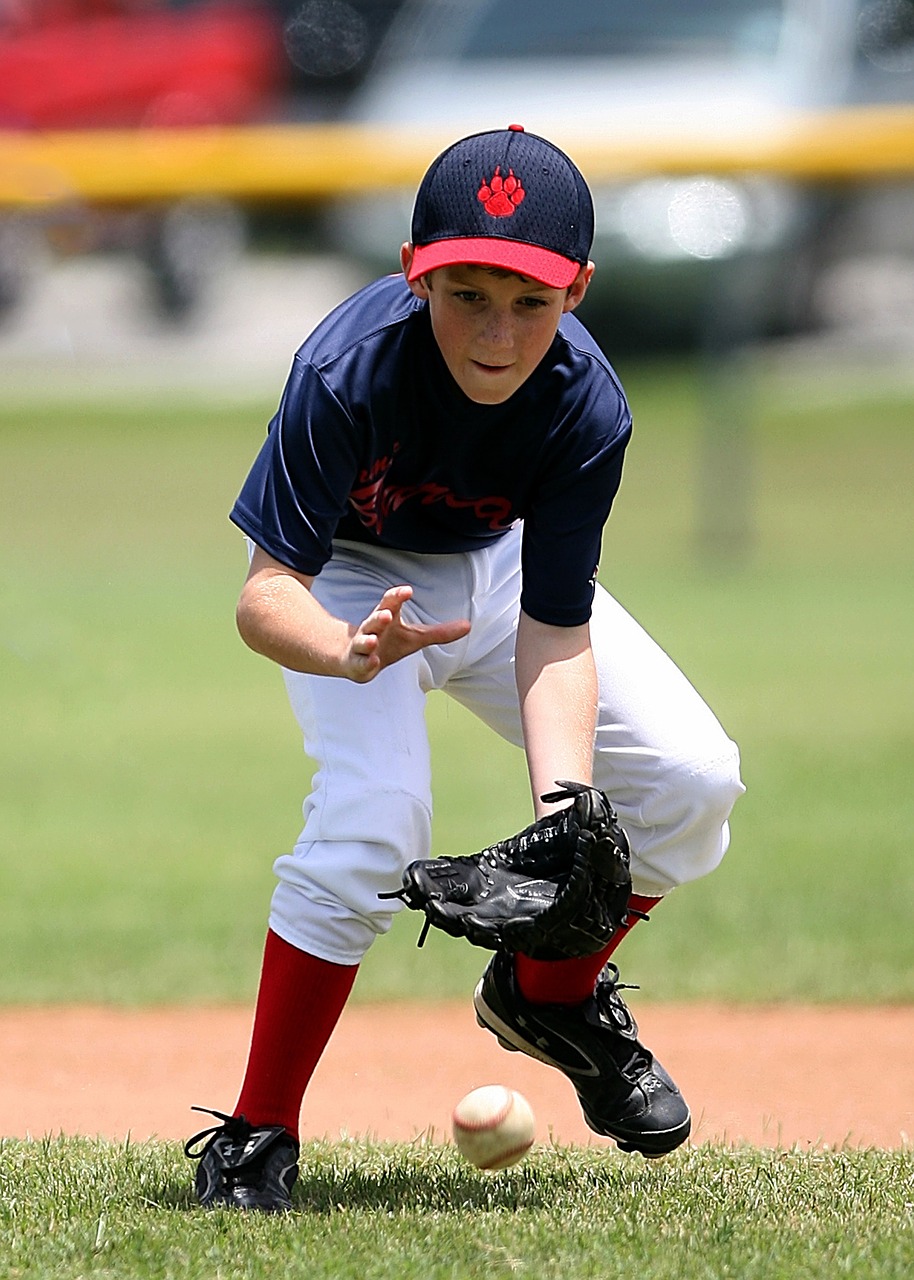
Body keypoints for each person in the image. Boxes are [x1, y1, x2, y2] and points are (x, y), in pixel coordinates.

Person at [184, 124, 745, 1211]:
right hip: (342, 584)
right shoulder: (348, 370)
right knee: (371, 823)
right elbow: (264, 595)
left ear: (577, 291)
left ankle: (548, 995)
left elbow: (554, 620)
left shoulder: (585, 402)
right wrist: (346, 651)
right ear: (412, 273)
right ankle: (256, 1133)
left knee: (688, 780)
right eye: (466, 292)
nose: (496, 331)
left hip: (489, 577)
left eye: (527, 300)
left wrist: (565, 808)